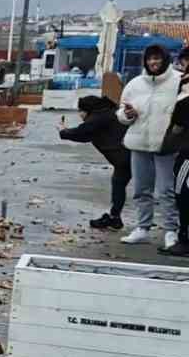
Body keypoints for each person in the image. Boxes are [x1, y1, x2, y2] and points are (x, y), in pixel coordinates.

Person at [117, 44, 183, 247]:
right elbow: (121, 112)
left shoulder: (179, 80)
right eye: (150, 59)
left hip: (167, 145)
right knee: (141, 189)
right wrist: (127, 114)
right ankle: (142, 228)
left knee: (166, 191)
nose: (153, 62)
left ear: (165, 59)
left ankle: (171, 230)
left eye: (157, 58)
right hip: (139, 143)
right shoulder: (135, 84)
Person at [59, 95, 131, 229]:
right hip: (125, 158)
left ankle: (120, 219)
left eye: (80, 111)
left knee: (138, 190)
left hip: (125, 157)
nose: (79, 114)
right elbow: (87, 135)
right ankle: (114, 217)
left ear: (87, 110)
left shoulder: (98, 118)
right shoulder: (106, 113)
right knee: (119, 185)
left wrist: (63, 131)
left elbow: (82, 132)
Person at [161, 68, 189, 256]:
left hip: (187, 156)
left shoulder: (183, 103)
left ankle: (185, 239)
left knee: (182, 195)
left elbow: (176, 129)